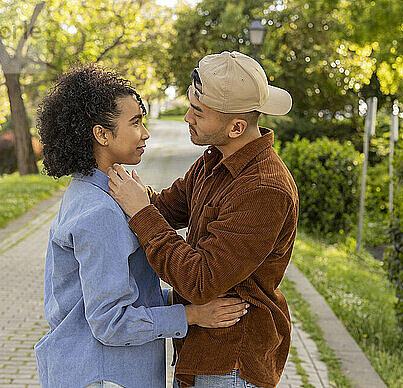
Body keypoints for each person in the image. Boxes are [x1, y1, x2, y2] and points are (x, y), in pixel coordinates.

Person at [33, 63, 249, 388]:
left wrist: (185, 303)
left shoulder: (101, 193)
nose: (145, 133)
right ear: (102, 134)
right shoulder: (100, 211)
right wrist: (191, 316)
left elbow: (133, 295)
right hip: (103, 375)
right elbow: (111, 322)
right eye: (135, 122)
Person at [107, 51, 299, 388]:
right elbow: (164, 208)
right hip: (203, 353)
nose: (186, 118)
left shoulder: (264, 189)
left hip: (231, 362)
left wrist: (141, 212)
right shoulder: (215, 160)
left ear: (236, 127)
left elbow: (200, 280)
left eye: (198, 112)